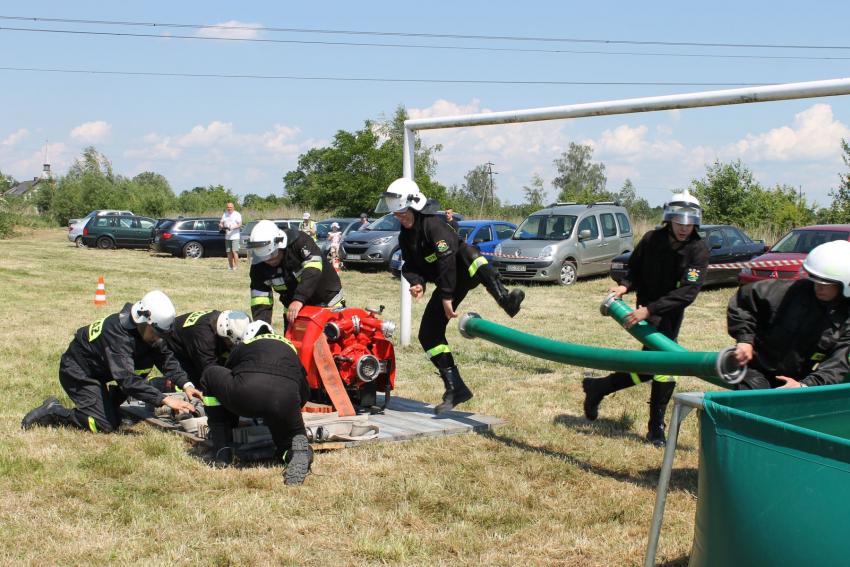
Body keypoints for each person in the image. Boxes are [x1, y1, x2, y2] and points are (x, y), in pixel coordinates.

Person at [378, 178, 525, 414]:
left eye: (403, 212)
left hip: (461, 273)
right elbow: (410, 266)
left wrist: (446, 296)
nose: (400, 218)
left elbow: (447, 260)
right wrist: (418, 283)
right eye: (396, 214)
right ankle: (455, 387)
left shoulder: (434, 225)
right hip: (447, 285)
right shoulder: (406, 236)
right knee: (428, 335)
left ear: (415, 206)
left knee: (470, 253)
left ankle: (504, 299)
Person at [582, 190, 710, 446]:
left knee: (653, 367)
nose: (684, 228)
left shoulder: (698, 250)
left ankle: (600, 388)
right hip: (645, 312)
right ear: (670, 219)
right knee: (664, 366)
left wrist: (650, 310)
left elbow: (687, 292)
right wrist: (624, 286)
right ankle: (655, 428)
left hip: (668, 313)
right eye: (679, 222)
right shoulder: (651, 239)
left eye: (689, 223)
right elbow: (635, 268)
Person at [22, 290, 197, 433]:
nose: (160, 339)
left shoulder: (147, 333)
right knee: (102, 425)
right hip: (78, 371)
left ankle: (110, 403)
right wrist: (164, 400)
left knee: (144, 363)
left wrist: (186, 384)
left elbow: (166, 358)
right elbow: (127, 380)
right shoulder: (117, 336)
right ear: (144, 321)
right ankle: (54, 411)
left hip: (102, 370)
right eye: (157, 333)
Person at [199, 320, 312, 485]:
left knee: (210, 374)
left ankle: (222, 449)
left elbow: (230, 373)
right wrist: (287, 415)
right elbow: (303, 389)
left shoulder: (245, 344)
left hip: (246, 395)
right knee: (289, 442)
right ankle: (296, 455)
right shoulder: (290, 347)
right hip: (285, 400)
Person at [728, 240, 850, 390]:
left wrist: (804, 385)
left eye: (826, 283)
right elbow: (745, 300)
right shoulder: (788, 291)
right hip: (756, 368)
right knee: (751, 404)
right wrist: (745, 339)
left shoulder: (846, 322)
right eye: (815, 280)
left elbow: (837, 365)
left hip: (798, 379)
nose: (818, 287)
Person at [165, 309, 251, 463]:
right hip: (177, 346)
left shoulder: (234, 323)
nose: (232, 346)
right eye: (230, 343)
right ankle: (171, 389)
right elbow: (210, 373)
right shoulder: (204, 337)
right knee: (198, 385)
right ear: (223, 334)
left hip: (196, 340)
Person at [246, 219, 343, 329]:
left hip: (327, 301)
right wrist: (262, 328)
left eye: (272, 253)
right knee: (294, 344)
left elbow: (313, 270)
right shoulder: (258, 266)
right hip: (293, 309)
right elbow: (260, 299)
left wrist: (299, 299)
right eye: (263, 256)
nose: (268, 260)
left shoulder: (299, 241)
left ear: (280, 244)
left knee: (332, 342)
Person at [219, 202, 242, 270]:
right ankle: (230, 266)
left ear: (233, 207)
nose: (229, 209)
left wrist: (233, 227)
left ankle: (236, 266)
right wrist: (221, 226)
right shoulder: (225, 214)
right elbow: (221, 223)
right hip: (227, 236)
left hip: (235, 236)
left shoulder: (237, 214)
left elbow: (240, 224)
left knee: (235, 251)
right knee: (229, 252)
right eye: (228, 207)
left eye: (230, 207)